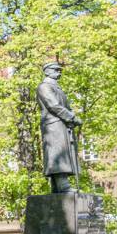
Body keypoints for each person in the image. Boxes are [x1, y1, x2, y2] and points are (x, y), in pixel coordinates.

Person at [37, 61, 82, 194]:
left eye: (60, 70)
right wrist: (71, 117)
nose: (59, 72)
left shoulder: (57, 88)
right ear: (47, 71)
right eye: (56, 70)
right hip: (53, 125)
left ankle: (57, 187)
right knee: (57, 153)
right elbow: (53, 105)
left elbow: (66, 107)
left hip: (61, 124)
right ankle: (63, 186)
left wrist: (71, 117)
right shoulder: (44, 87)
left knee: (62, 153)